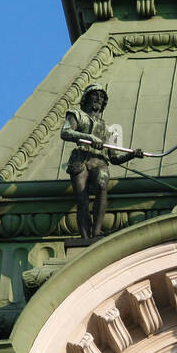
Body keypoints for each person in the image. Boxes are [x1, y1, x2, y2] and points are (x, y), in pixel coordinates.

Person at [60, 83, 143, 240]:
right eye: (95, 94)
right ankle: (85, 237)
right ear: (86, 98)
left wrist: (132, 154)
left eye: (102, 96)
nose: (98, 98)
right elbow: (65, 132)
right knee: (81, 198)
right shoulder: (76, 115)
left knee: (102, 186)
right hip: (80, 159)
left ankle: (96, 231)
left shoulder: (109, 129)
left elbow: (115, 158)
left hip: (99, 161)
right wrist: (89, 137)